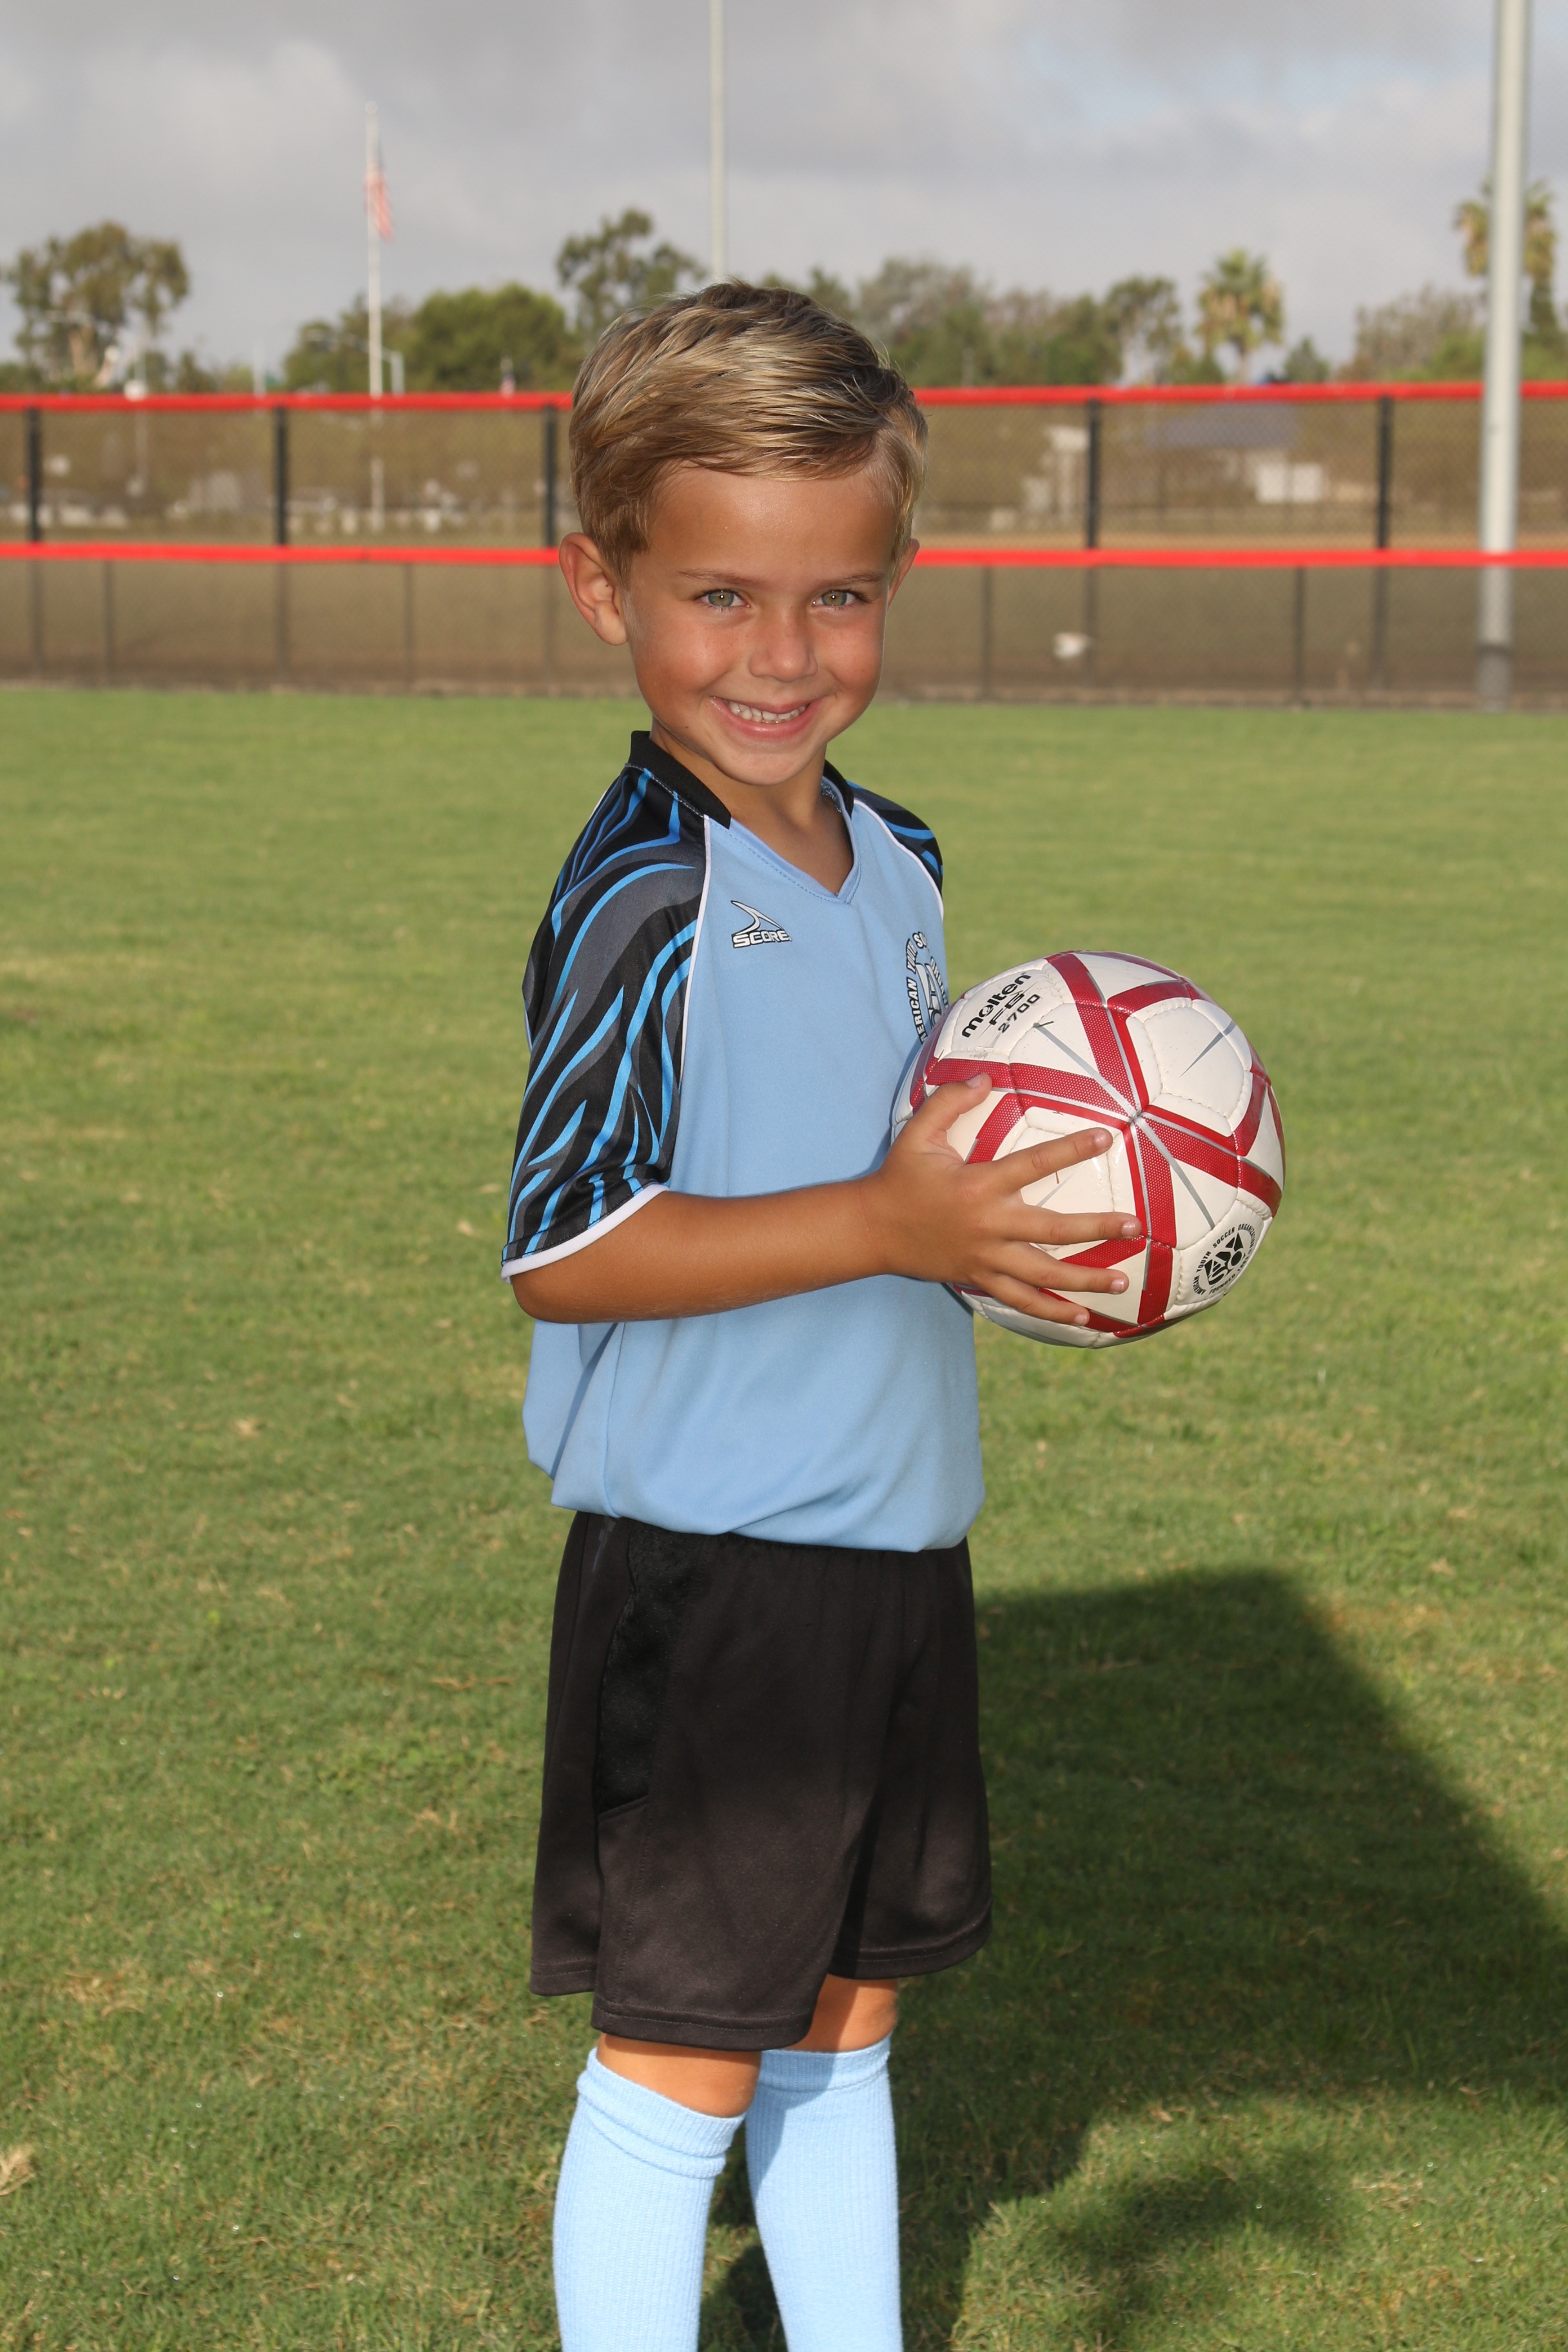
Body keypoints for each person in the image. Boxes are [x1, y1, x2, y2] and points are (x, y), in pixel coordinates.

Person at [503, 282, 1138, 2352]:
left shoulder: (904, 857)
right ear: (604, 589)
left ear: (893, 582)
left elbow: (909, 1166)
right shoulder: (643, 893)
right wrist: (883, 1218)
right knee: (683, 2058)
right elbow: (567, 1245)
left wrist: (1041, 1222)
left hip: (895, 1545)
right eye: (720, 596)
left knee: (848, 2026)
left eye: (838, 596)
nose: (783, 655)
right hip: (721, 1576)